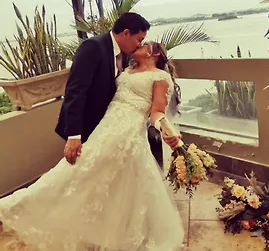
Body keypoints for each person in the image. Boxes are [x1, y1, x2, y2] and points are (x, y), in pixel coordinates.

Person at [0, 41, 184, 251]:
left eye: (144, 44)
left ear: (153, 53)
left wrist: (166, 130)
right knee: (111, 183)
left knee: (79, 171)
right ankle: (112, 234)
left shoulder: (160, 77)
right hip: (106, 126)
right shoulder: (127, 69)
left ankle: (14, 203)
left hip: (127, 133)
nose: (139, 44)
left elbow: (156, 112)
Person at [55, 12, 180, 166]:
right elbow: (75, 90)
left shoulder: (127, 57)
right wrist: (74, 135)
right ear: (126, 33)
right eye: (139, 39)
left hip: (117, 129)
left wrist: (165, 129)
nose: (139, 45)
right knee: (83, 169)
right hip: (85, 125)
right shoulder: (93, 47)